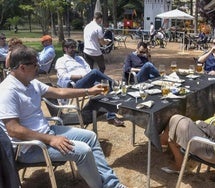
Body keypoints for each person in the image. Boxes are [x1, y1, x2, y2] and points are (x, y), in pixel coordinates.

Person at [0, 45, 127, 188]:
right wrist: (51, 139)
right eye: (35, 65)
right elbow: (14, 130)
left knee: (90, 137)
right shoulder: (7, 91)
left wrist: (88, 91)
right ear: (22, 67)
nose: (38, 68)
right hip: (30, 147)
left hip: (47, 133)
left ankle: (112, 185)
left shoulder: (31, 82)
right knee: (83, 152)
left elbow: (59, 92)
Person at [55, 39, 124, 126]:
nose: (74, 49)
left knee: (106, 87)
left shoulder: (79, 58)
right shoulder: (61, 60)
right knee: (95, 72)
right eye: (71, 47)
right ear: (65, 49)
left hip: (89, 80)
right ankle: (115, 84)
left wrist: (88, 76)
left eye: (74, 47)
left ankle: (111, 117)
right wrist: (81, 76)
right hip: (75, 85)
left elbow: (88, 70)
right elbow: (62, 76)